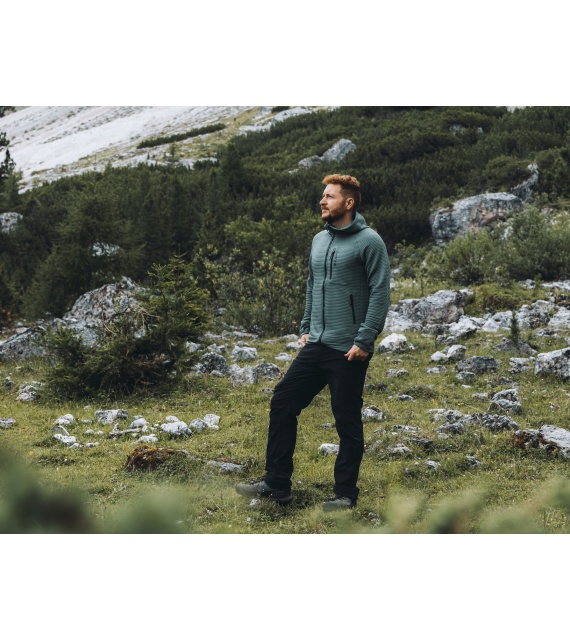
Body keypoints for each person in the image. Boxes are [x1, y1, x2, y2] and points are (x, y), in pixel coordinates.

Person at [236, 174, 391, 510]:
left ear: (348, 202)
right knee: (283, 401)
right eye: (323, 195)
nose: (322, 201)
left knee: (346, 420)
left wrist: (365, 339)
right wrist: (306, 325)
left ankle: (345, 495)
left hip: (349, 348)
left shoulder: (370, 241)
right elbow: (312, 283)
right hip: (317, 344)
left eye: (330, 196)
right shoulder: (319, 240)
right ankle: (277, 484)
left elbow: (380, 291)